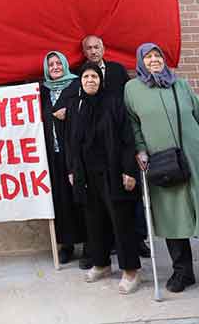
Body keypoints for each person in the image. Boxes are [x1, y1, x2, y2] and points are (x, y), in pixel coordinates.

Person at [125, 43, 199, 306]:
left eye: (158, 56)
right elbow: (133, 124)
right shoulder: (131, 89)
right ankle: (183, 272)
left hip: (195, 158)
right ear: (140, 62)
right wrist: (140, 149)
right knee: (172, 216)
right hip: (161, 162)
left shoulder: (181, 85)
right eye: (148, 57)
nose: (154, 60)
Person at [68, 63, 142, 294]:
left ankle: (131, 271)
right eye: (86, 77)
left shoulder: (114, 102)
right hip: (87, 175)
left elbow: (127, 138)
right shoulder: (76, 105)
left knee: (121, 222)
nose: (90, 80)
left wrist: (129, 170)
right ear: (80, 81)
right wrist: (72, 170)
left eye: (94, 76)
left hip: (113, 172)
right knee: (94, 222)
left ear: (101, 80)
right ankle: (101, 264)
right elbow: (71, 141)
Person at [81, 34, 150, 259]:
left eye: (96, 47)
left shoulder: (117, 70)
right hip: (98, 146)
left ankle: (138, 240)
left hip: (121, 137)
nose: (93, 51)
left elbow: (129, 99)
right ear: (84, 52)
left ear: (103, 48)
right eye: (89, 48)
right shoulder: (83, 74)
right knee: (105, 200)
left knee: (130, 192)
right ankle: (109, 244)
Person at [39, 50, 86, 266]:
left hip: (75, 153)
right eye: (51, 65)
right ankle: (67, 245)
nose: (55, 67)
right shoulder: (43, 90)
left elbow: (87, 109)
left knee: (80, 197)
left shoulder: (76, 85)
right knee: (61, 200)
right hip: (54, 154)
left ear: (65, 65)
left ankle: (90, 245)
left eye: (59, 63)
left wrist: (70, 112)